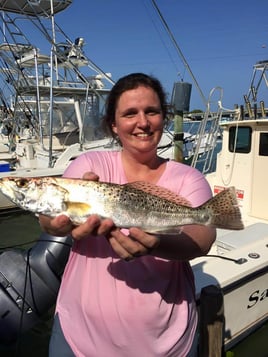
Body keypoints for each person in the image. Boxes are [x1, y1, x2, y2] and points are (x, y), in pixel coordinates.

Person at [40, 73, 216, 357]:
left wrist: (158, 244)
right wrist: (56, 223)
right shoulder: (88, 165)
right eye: (130, 113)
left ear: (164, 117)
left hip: (167, 343)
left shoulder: (189, 178)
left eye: (152, 112)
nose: (142, 122)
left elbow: (203, 236)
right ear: (114, 124)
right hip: (78, 338)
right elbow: (51, 220)